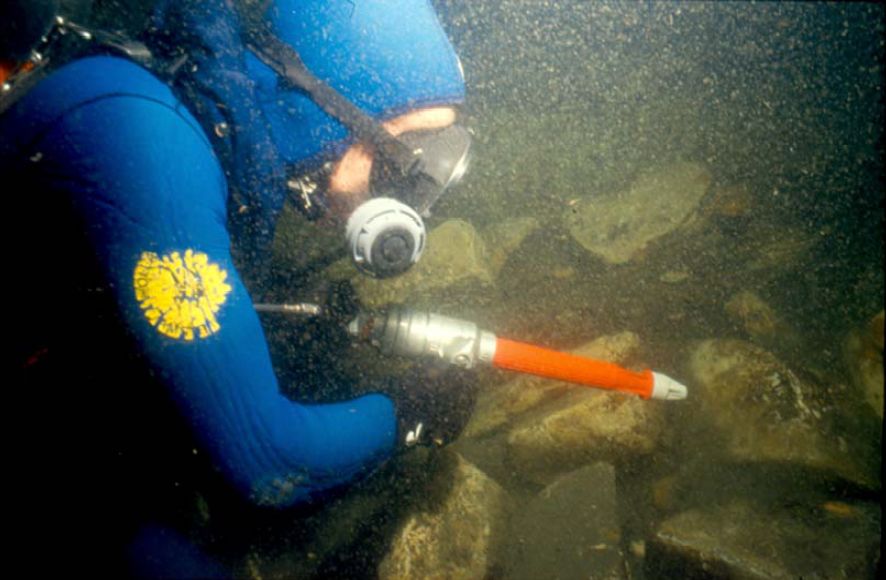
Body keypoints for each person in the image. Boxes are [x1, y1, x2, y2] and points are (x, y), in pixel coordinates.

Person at [4, 0, 475, 576]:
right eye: (403, 165)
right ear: (318, 107)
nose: (411, 206)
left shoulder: (199, 126)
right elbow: (267, 462)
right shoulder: (149, 145)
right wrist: (406, 415)